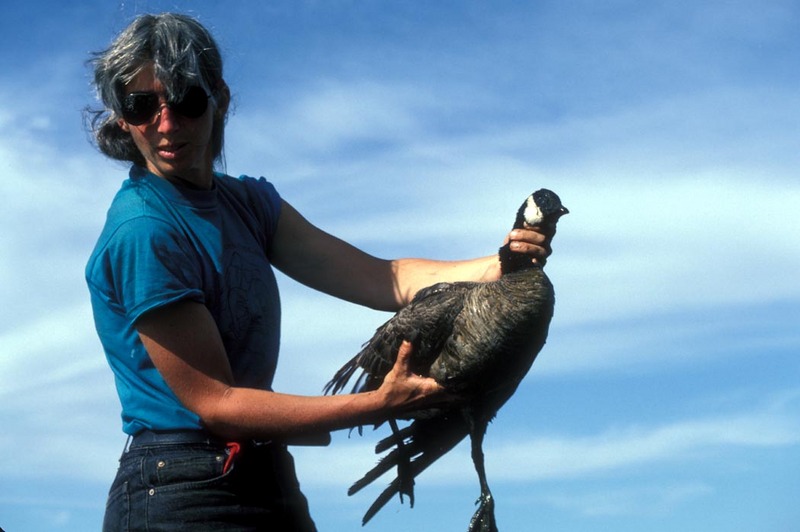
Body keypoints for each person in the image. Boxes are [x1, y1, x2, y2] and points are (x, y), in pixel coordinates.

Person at [84, 12, 555, 532]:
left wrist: (504, 262)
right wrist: (377, 404)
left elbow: (385, 279)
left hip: (264, 473)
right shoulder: (145, 230)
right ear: (122, 117)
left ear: (218, 97)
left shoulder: (248, 204)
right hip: (179, 491)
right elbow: (218, 403)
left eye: (187, 99)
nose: (167, 123)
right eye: (142, 105)